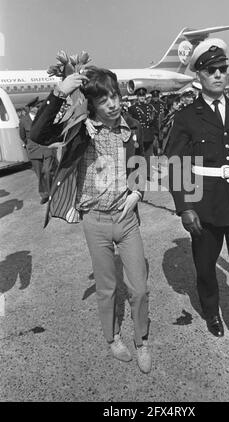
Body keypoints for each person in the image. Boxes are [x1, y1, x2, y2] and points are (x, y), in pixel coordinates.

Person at [30, 67, 152, 373]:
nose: (112, 104)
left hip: (127, 221)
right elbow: (38, 135)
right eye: (103, 99)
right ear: (92, 104)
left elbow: (144, 158)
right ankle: (112, 338)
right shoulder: (79, 129)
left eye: (115, 96)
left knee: (138, 288)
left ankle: (141, 341)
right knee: (107, 287)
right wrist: (59, 93)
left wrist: (137, 192)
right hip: (95, 220)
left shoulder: (132, 126)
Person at [167, 38, 229, 354]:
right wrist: (185, 207)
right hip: (205, 206)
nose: (218, 75)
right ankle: (211, 311)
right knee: (206, 268)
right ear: (199, 75)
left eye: (223, 68)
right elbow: (177, 165)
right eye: (211, 70)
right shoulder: (186, 116)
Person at [19, 97, 57, 204]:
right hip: (34, 151)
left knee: (48, 171)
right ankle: (45, 194)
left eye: (40, 107)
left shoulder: (44, 117)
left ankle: (53, 192)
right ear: (31, 108)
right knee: (40, 174)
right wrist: (29, 145)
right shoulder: (24, 121)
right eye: (37, 107)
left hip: (47, 148)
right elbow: (23, 136)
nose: (39, 108)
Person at [129, 87, 158, 179]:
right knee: (138, 155)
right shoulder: (132, 108)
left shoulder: (150, 107)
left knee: (148, 155)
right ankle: (136, 174)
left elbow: (154, 121)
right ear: (137, 97)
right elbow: (130, 122)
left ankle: (148, 174)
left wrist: (155, 133)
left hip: (148, 134)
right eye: (140, 96)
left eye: (143, 95)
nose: (142, 97)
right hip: (139, 134)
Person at [150, 89, 166, 155]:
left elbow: (165, 113)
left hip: (161, 126)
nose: (156, 98)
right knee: (154, 144)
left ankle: (161, 155)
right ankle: (155, 155)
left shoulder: (162, 104)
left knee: (162, 142)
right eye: (154, 97)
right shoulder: (149, 105)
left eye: (157, 96)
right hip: (153, 126)